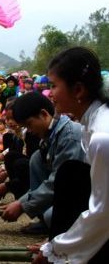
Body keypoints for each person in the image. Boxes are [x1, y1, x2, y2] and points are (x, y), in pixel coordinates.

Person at [33, 47, 109, 264]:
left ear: (77, 90)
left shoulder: (102, 136)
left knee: (70, 174)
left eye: (53, 86)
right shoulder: (89, 123)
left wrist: (55, 250)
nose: (49, 94)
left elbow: (103, 213)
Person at [0, 92, 84, 234]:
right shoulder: (49, 136)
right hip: (68, 193)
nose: (30, 130)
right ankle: (45, 221)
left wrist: (21, 204)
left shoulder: (70, 137)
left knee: (52, 216)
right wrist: (22, 201)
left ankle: (54, 226)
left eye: (29, 124)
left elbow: (58, 181)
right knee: (37, 158)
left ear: (44, 114)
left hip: (84, 195)